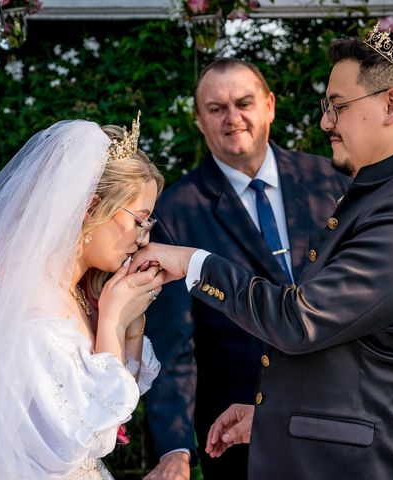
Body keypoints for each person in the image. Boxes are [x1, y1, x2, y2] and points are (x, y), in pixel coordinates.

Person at [132, 24, 393, 480]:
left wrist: (194, 262)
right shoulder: (381, 192)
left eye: (338, 106)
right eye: (325, 106)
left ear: (392, 105)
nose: (325, 121)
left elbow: (302, 320)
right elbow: (360, 351)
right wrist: (275, 416)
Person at [0, 115, 167, 479]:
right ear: (92, 207)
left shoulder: (78, 290)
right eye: (139, 219)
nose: (144, 237)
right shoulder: (31, 308)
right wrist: (114, 319)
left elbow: (116, 395)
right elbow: (84, 435)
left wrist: (128, 326)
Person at [143, 57, 350, 480]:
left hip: (343, 420)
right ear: (200, 120)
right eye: (216, 109)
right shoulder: (174, 213)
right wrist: (176, 448)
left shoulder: (329, 180)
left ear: (270, 106)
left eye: (244, 102)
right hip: (242, 438)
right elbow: (173, 346)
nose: (233, 118)